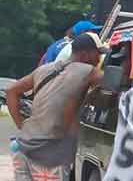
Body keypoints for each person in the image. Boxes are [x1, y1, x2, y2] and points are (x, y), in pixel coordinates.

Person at [7, 32, 105, 181]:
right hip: (50, 156)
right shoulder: (88, 71)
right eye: (97, 54)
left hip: (23, 148)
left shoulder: (45, 69)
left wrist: (21, 125)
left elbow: (11, 91)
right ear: (85, 54)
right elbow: (113, 82)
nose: (99, 59)